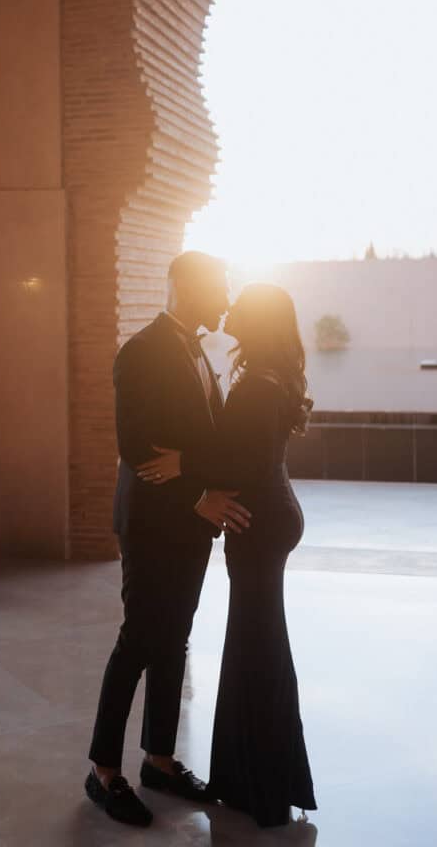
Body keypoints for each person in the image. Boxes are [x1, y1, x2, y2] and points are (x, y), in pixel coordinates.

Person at [138, 282, 318, 828]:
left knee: (256, 649)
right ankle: (257, 779)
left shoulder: (258, 387)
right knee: (256, 646)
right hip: (266, 519)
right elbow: (244, 454)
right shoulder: (267, 377)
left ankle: (261, 786)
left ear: (258, 321)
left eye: (241, 304)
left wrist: (183, 464)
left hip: (258, 524)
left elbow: (241, 461)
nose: (230, 308)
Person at [85, 251, 252, 828]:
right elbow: (138, 448)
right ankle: (103, 771)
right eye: (219, 287)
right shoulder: (142, 351)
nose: (227, 299)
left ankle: (159, 760)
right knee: (138, 640)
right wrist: (196, 497)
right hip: (154, 525)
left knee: (174, 639)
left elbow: (194, 444)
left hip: (190, 527)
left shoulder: (198, 352)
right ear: (184, 288)